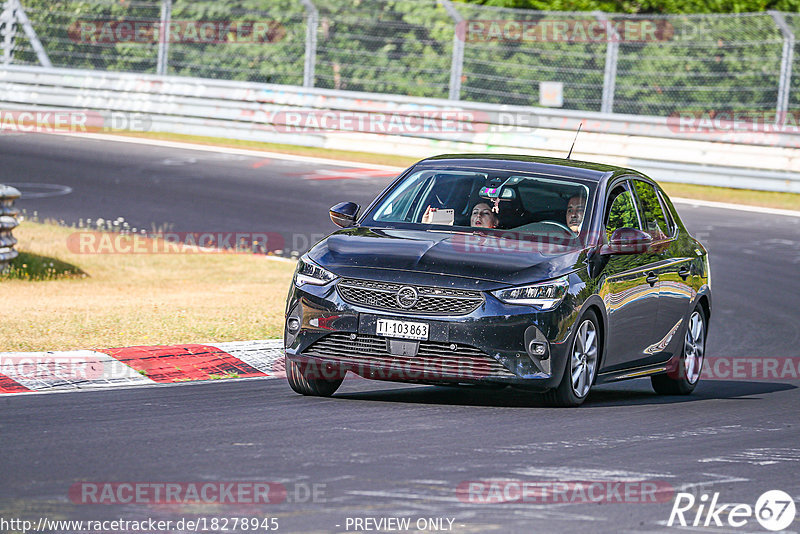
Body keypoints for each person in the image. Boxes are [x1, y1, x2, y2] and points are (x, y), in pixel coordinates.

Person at [421, 201, 499, 229]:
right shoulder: (458, 237)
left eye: (485, 213)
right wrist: (425, 225)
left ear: (495, 222)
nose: (478, 215)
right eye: (475, 213)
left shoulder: (502, 242)